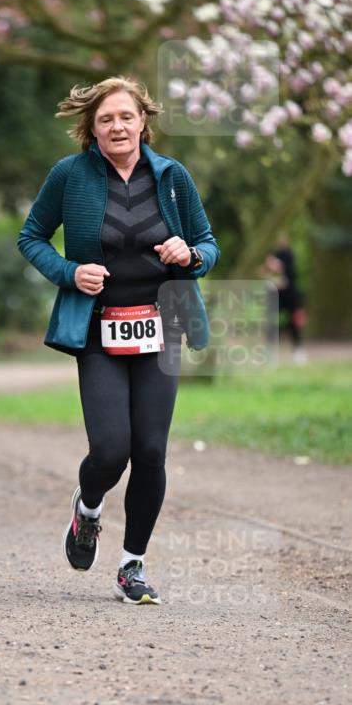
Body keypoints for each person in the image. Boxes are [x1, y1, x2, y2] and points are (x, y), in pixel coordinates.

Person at [18, 76, 220, 605]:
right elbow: (30, 236)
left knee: (150, 451)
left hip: (161, 324)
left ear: (143, 122)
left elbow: (207, 244)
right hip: (98, 328)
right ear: (92, 128)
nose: (117, 126)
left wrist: (191, 256)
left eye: (126, 117)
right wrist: (68, 272)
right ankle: (87, 511)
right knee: (111, 450)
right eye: (106, 119)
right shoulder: (71, 175)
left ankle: (133, 565)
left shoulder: (173, 177)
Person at [263, 233, 306, 364]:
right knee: (270, 321)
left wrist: (279, 268)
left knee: (294, 323)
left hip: (290, 296)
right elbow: (265, 272)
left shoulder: (290, 256)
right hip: (276, 294)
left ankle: (298, 351)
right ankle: (269, 352)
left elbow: (291, 276)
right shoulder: (273, 255)